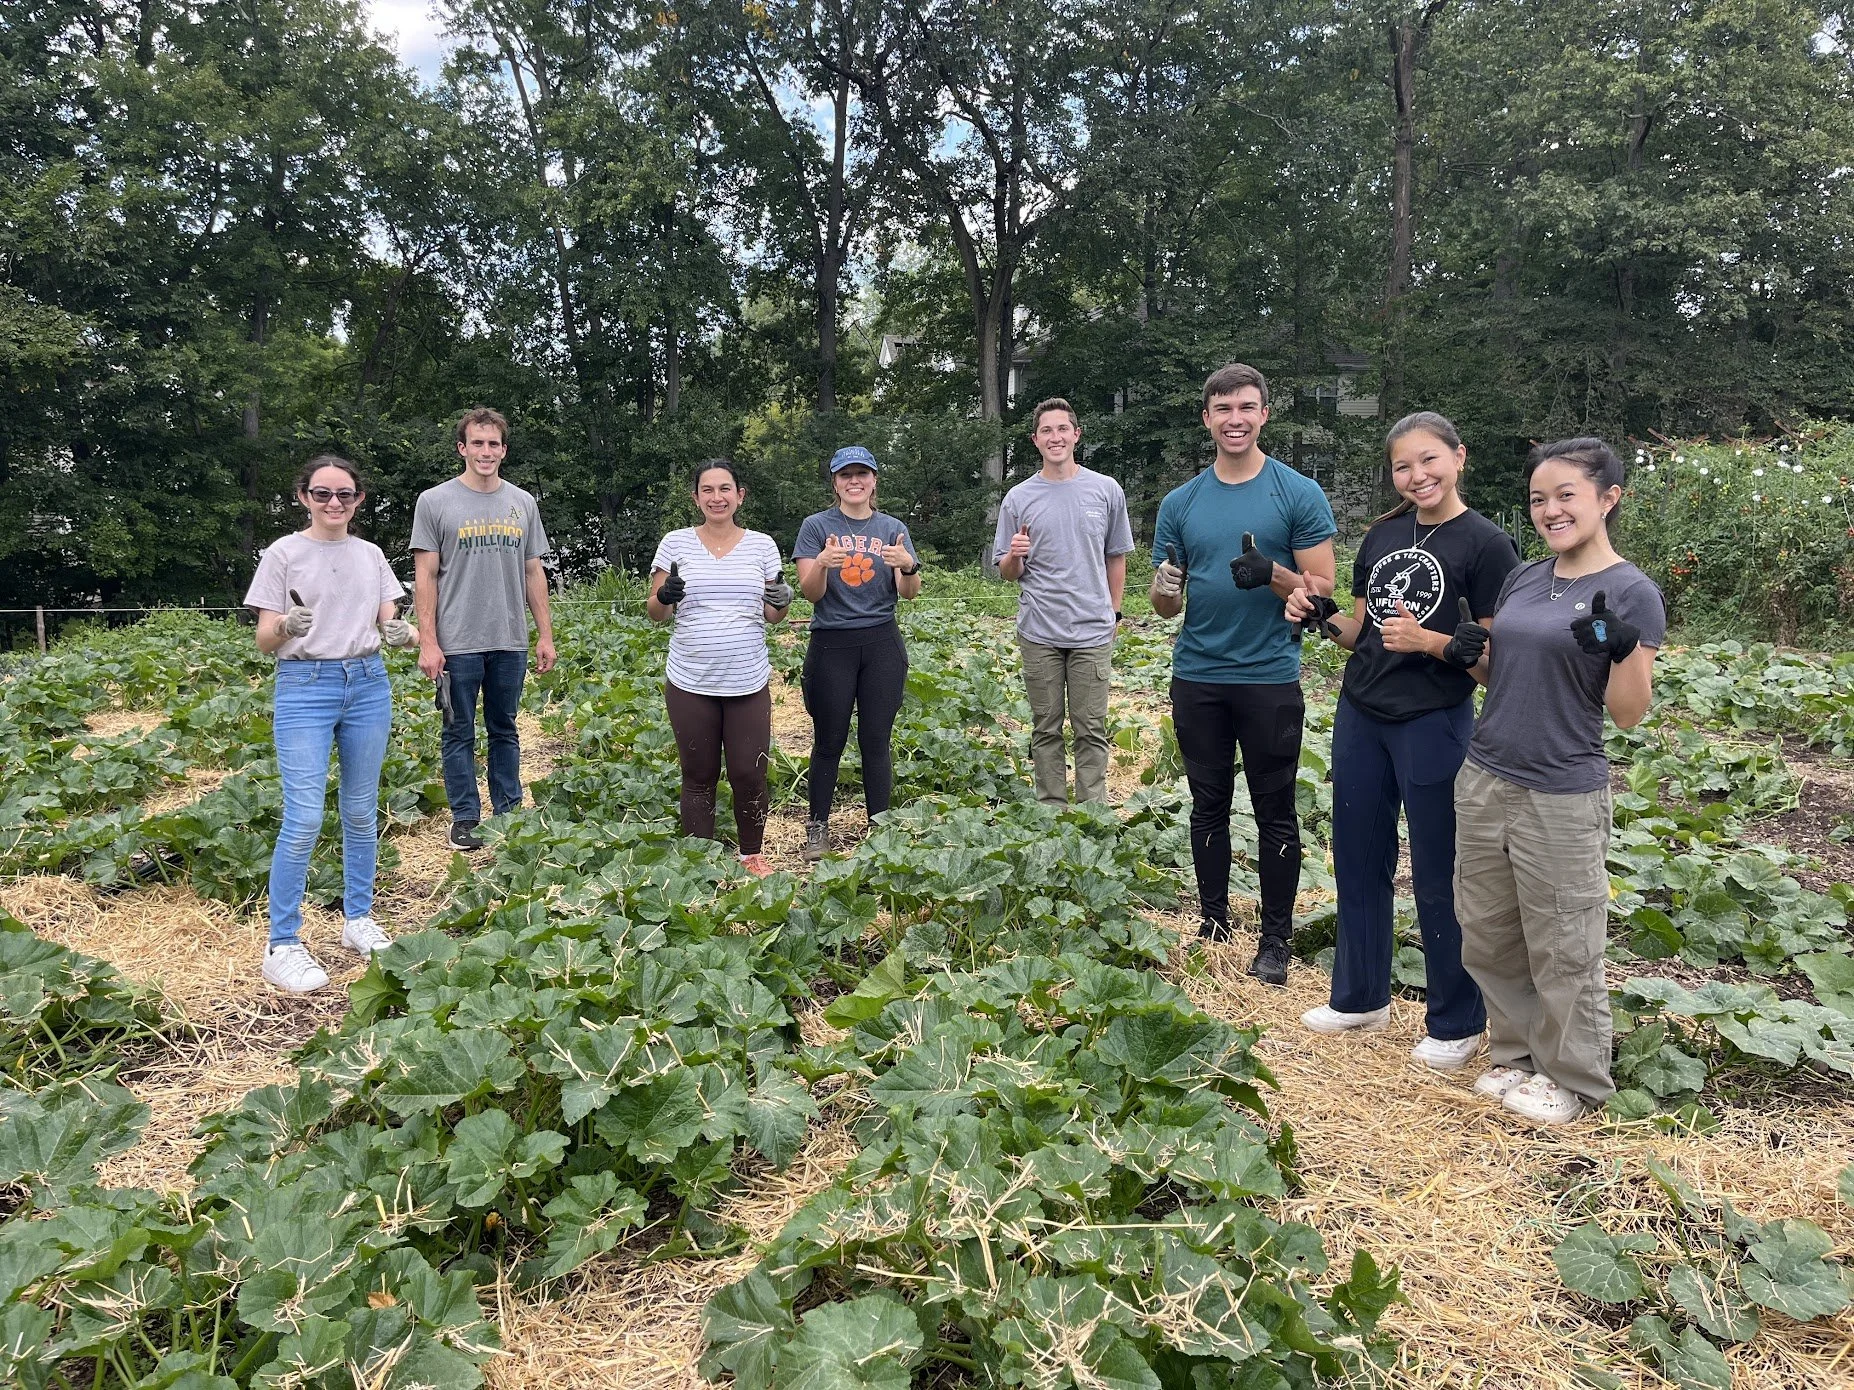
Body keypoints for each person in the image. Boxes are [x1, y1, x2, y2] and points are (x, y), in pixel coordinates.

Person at [1287, 412, 1519, 1069]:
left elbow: (1496, 660)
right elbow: (1360, 633)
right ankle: (1360, 996)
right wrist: (1316, 612)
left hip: (1434, 719)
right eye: (1402, 466)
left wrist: (1432, 643)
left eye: (1429, 460)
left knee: (1441, 869)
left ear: (1459, 457)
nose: (1417, 475)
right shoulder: (1383, 535)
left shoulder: (1488, 544)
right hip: (1362, 712)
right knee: (1358, 856)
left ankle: (1456, 1020)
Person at [1452, 437, 1663, 1124]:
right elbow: (1501, 676)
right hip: (1487, 774)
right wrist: (1470, 656)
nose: (1550, 510)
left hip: (1561, 790)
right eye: (1539, 499)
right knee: (1489, 930)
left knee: (1565, 942)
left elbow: (1628, 712)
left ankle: (1572, 1078)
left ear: (1608, 498)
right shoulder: (1525, 577)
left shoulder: (1631, 591)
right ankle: (1515, 1054)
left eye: (1566, 495)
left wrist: (1622, 647)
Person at [1150, 363, 1336, 984]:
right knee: (1207, 805)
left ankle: (1275, 939)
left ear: (1264, 415)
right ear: (1207, 418)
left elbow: (1323, 590)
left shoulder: (1297, 493)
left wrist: (1274, 574)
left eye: (1247, 408)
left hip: (1269, 676)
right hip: (1198, 674)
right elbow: (1166, 603)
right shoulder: (1181, 503)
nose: (1236, 419)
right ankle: (1213, 922)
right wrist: (1164, 590)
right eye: (1224, 409)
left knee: (1275, 809)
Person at [245, 456, 417, 993]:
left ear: (358, 499)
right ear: (304, 497)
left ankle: (357, 919)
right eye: (322, 493)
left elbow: (392, 620)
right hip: (305, 685)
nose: (334, 503)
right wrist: (285, 626)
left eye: (345, 494)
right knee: (303, 818)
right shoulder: (283, 554)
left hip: (367, 683)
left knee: (361, 810)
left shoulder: (370, 555)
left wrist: (404, 634)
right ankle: (282, 944)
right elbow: (264, 639)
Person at [411, 407, 556, 852]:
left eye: (493, 444)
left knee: (505, 729)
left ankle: (508, 814)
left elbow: (533, 571)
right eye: (477, 443)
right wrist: (429, 641)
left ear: (504, 451)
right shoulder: (434, 501)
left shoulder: (522, 503)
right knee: (458, 731)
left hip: (509, 638)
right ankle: (466, 818)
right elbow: (425, 576)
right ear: (463, 448)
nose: (486, 451)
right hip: (457, 642)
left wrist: (545, 634)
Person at [647, 460, 793, 876]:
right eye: (707, 490)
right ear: (696, 498)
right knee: (698, 773)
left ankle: (751, 855)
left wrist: (782, 601)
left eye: (725, 489)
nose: (717, 497)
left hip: (747, 678)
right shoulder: (675, 543)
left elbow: (773, 614)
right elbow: (656, 612)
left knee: (750, 771)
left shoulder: (762, 545)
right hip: (690, 679)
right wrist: (665, 595)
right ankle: (701, 862)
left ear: (739, 496)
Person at [993, 398, 1135, 805]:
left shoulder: (1105, 490)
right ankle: (1051, 811)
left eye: (1062, 429)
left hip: (1092, 630)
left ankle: (1092, 812)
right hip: (1040, 631)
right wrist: (1015, 555)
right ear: (1035, 440)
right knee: (1046, 727)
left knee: (1091, 728)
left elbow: (1116, 557)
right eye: (1046, 431)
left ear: (1076, 435)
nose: (1055, 437)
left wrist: (1114, 611)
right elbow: (1007, 572)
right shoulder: (1018, 498)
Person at [793, 446, 922, 860]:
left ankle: (879, 828)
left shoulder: (892, 528)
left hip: (881, 643)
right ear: (835, 482)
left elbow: (909, 593)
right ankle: (818, 828)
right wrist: (822, 564)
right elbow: (811, 593)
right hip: (832, 644)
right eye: (845, 475)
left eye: (861, 474)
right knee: (828, 740)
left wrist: (908, 565)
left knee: (875, 740)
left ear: (874, 480)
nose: (854, 481)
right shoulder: (816, 526)